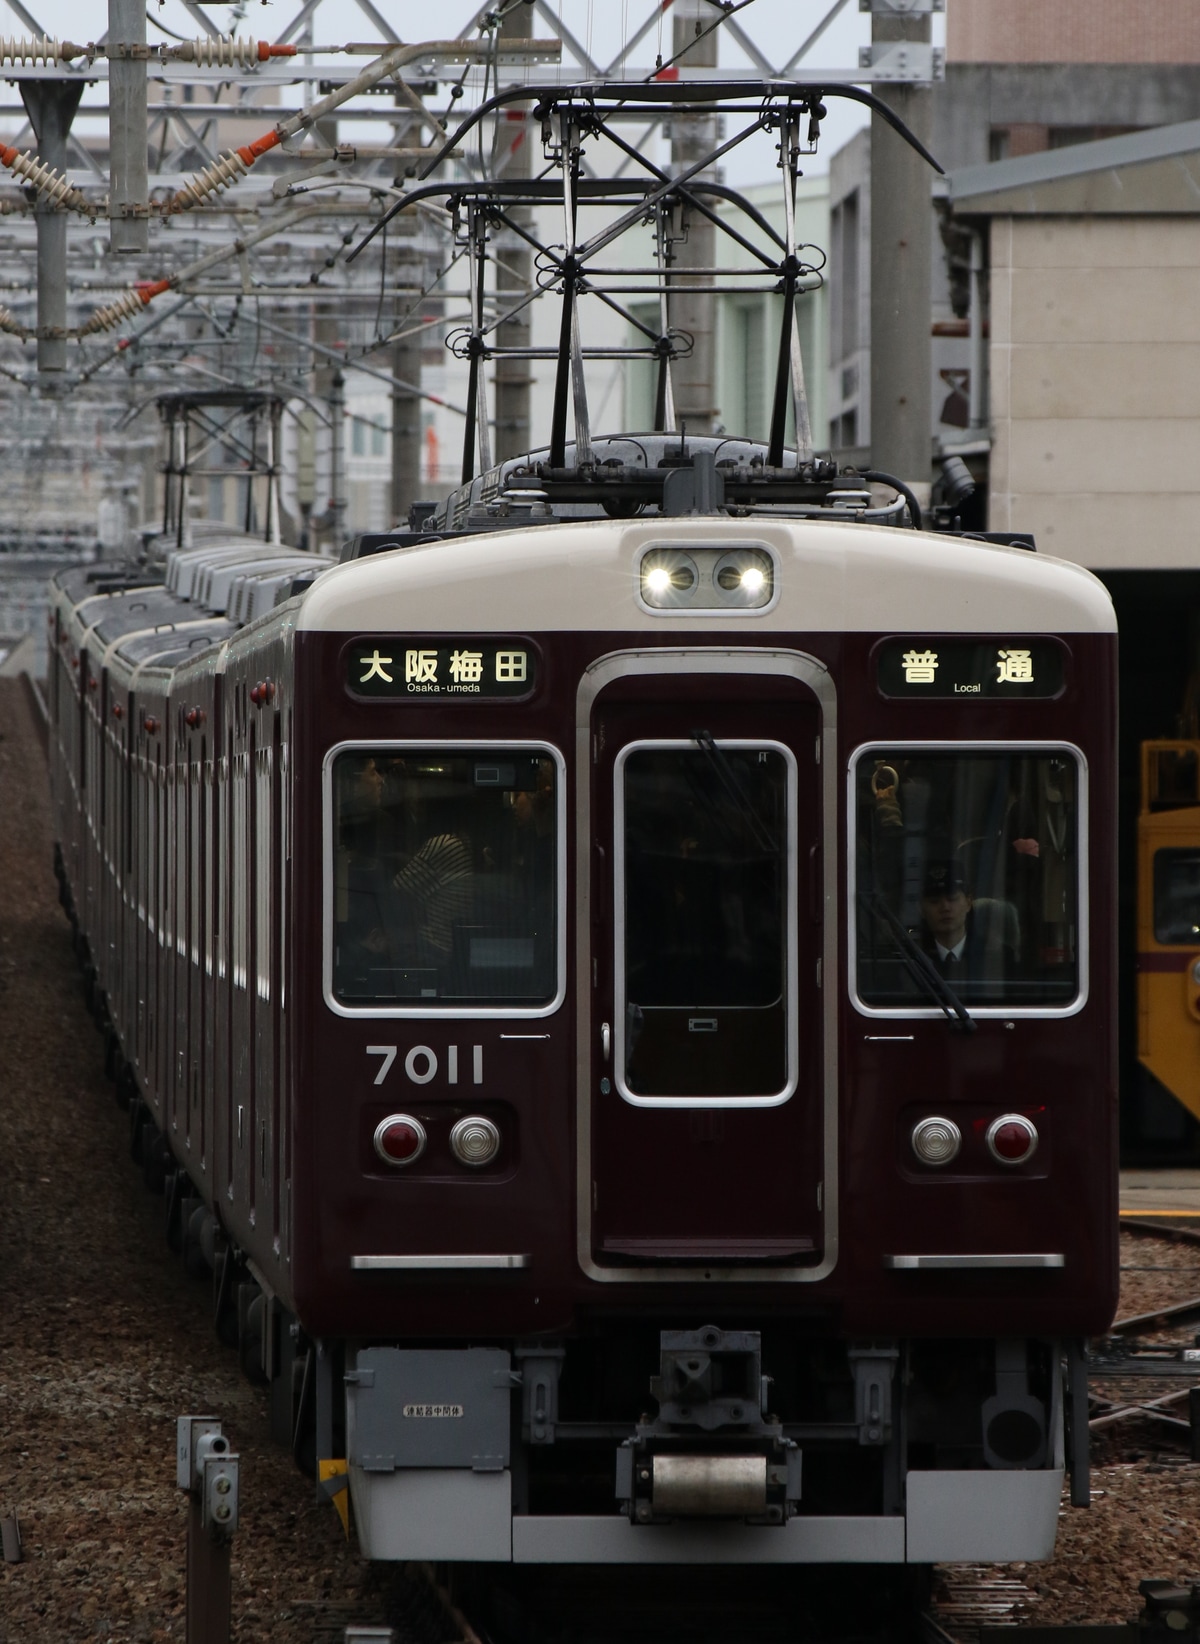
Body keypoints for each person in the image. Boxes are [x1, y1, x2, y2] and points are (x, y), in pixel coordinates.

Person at [916, 858, 1014, 983]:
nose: (945, 908)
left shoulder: (998, 955)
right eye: (934, 901)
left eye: (952, 898)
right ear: (921, 909)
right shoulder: (912, 957)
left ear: (968, 902)